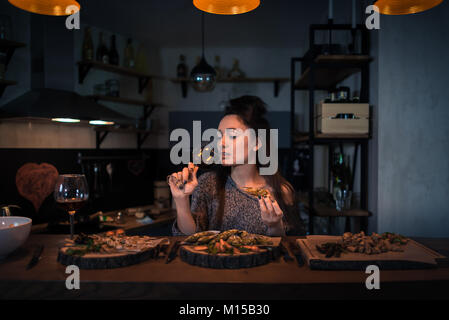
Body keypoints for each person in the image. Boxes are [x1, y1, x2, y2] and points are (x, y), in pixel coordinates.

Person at [169, 95, 305, 236]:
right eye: (219, 136)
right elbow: (189, 238)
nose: (221, 143)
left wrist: (275, 226)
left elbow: (287, 248)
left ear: (257, 143)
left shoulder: (281, 191)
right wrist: (181, 200)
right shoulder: (207, 184)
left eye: (233, 136)